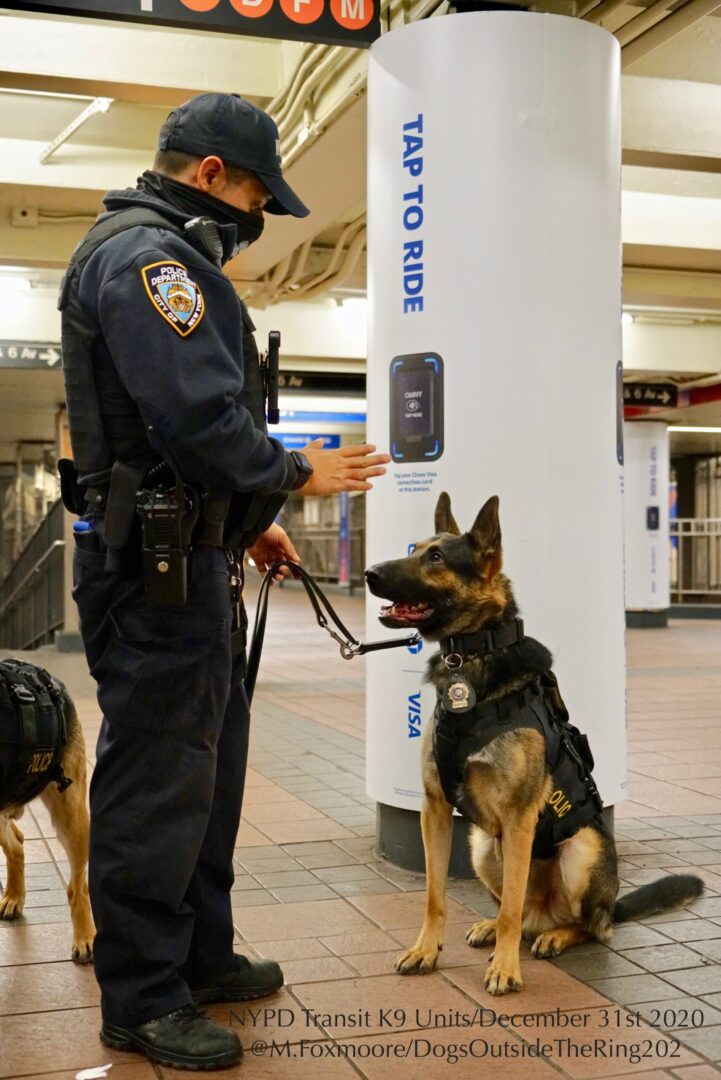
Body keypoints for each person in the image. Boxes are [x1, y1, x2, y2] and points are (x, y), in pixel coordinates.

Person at [58, 92, 388, 1071]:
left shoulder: (158, 253)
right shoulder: (151, 260)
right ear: (209, 173)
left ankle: (197, 957)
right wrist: (295, 472)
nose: (255, 217)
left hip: (189, 558)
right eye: (253, 193)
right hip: (152, 575)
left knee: (204, 776)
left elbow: (172, 442)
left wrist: (251, 526)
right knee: (158, 787)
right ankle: (143, 1000)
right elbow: (194, 418)